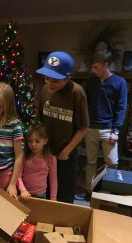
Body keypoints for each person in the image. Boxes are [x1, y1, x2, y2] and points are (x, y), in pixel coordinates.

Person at [36, 51, 89, 203]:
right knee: (45, 190)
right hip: (46, 151)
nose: (49, 84)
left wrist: (66, 151)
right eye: (47, 79)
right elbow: (39, 121)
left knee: (64, 193)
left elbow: (83, 127)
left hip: (66, 153)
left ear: (67, 78)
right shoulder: (45, 90)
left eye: (55, 81)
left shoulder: (76, 92)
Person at [84, 50, 127, 199]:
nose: (93, 70)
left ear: (105, 65)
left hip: (109, 129)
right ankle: (90, 192)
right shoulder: (91, 82)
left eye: (96, 67)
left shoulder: (120, 82)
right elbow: (86, 105)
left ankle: (108, 192)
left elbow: (121, 107)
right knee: (90, 162)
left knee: (112, 163)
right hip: (90, 129)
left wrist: (116, 130)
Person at [17, 123, 57, 200]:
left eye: (37, 141)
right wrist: (23, 190)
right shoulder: (24, 156)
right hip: (24, 194)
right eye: (30, 141)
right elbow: (18, 176)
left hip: (41, 196)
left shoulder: (51, 158)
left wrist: (53, 199)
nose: (33, 144)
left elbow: (53, 180)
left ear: (45, 141)